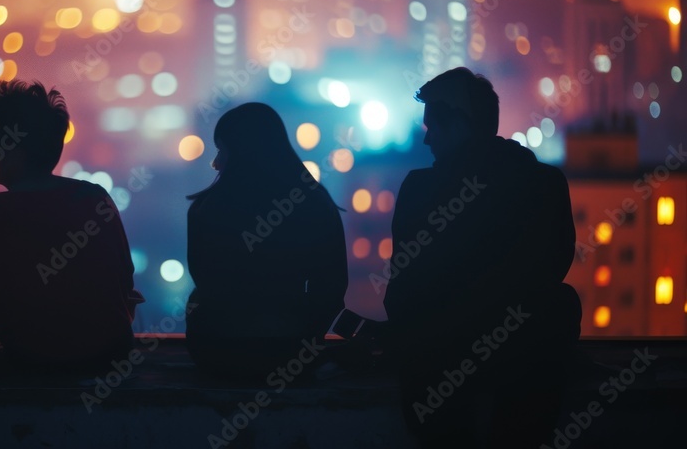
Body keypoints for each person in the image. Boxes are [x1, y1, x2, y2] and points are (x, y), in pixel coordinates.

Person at [382, 67, 580, 448]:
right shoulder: (544, 183)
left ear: (459, 125)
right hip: (519, 370)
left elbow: (403, 288)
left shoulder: (421, 190)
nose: (426, 139)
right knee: (562, 302)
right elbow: (554, 268)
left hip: (436, 384)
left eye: (432, 127)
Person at [0, 80, 143, 371]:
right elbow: (125, 279)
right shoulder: (94, 197)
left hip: (36, 360)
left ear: (15, 149)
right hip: (110, 354)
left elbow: (2, 301)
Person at [185, 103, 348, 378]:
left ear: (238, 153)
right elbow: (331, 289)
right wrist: (305, 340)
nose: (216, 163)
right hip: (289, 351)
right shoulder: (315, 204)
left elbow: (205, 282)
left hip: (216, 351)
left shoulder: (208, 208)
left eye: (221, 150)